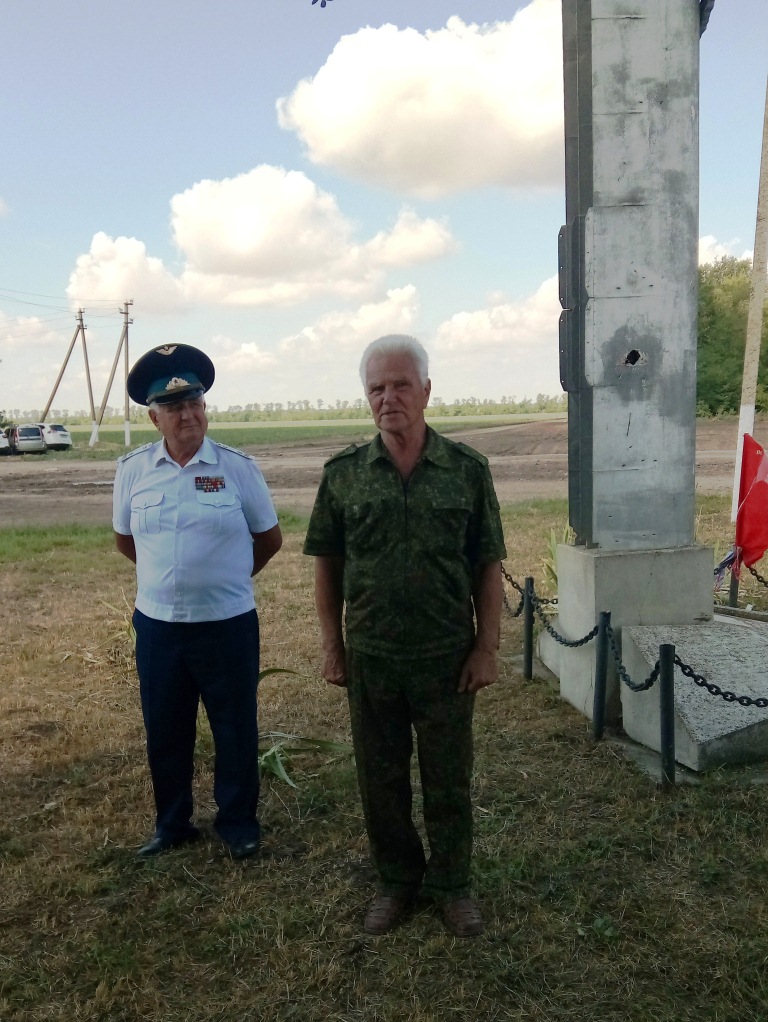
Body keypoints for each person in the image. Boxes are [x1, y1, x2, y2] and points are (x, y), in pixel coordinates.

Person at [303, 334, 506, 937]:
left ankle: (451, 885)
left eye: (400, 385)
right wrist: (333, 647)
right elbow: (327, 566)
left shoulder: (467, 471)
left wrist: (486, 647)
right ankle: (396, 880)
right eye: (376, 388)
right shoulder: (343, 476)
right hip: (373, 657)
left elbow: (488, 563)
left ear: (426, 391)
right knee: (380, 779)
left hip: (446, 656)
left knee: (448, 777)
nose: (388, 397)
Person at [113, 343, 282, 859]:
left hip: (227, 623)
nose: (188, 415)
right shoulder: (132, 470)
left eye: (195, 403)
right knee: (165, 728)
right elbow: (125, 540)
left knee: (235, 726)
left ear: (205, 407)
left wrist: (225, 580)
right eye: (174, 407)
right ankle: (172, 824)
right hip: (159, 627)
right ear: (154, 418)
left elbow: (269, 538)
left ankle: (238, 824)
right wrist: (168, 583)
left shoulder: (237, 468)